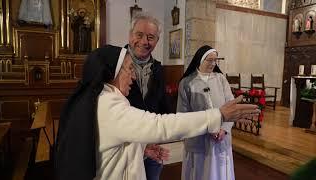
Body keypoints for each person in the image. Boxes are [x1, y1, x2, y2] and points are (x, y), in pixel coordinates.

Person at [55, 44, 259, 180]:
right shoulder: (109, 105)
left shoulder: (101, 99)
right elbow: (160, 125)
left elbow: (109, 142)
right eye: (128, 69)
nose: (133, 76)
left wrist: (141, 149)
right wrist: (218, 115)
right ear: (111, 74)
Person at [177, 45, 235, 180]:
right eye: (210, 60)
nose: (213, 63)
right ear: (200, 60)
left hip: (220, 139)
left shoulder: (221, 79)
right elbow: (183, 114)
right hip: (198, 139)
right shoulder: (187, 82)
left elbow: (231, 107)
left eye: (216, 60)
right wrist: (206, 128)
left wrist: (224, 130)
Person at [125, 12, 171, 180]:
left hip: (152, 144)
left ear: (157, 41)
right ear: (130, 36)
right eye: (139, 35)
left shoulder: (158, 69)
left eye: (151, 37)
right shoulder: (112, 62)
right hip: (124, 147)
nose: (144, 41)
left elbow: (163, 105)